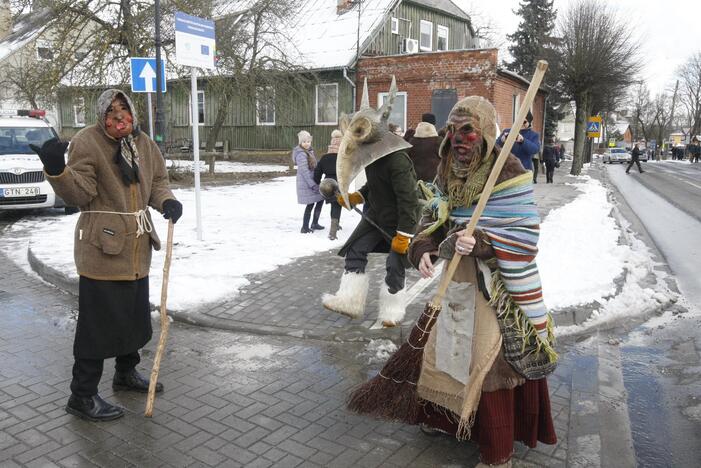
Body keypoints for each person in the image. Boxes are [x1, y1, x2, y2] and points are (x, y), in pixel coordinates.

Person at [408, 96, 557, 467]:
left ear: (487, 133)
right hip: (454, 279)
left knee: (488, 360)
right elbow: (434, 214)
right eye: (453, 131)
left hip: (494, 287)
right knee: (445, 352)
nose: (458, 139)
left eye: (468, 131)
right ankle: (446, 420)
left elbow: (524, 234)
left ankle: (497, 450)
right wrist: (423, 246)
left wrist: (485, 244)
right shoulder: (446, 169)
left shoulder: (508, 172)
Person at [29, 89, 182, 422]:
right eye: (111, 110)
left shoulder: (144, 144)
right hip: (102, 250)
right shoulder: (89, 141)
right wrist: (58, 170)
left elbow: (157, 180)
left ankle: (125, 374)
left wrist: (166, 200)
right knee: (96, 328)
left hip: (137, 250)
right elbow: (80, 193)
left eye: (123, 108)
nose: (118, 116)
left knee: (133, 317)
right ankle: (81, 396)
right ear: (101, 115)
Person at [322, 77, 419, 327]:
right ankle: (350, 301)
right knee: (355, 249)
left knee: (395, 264)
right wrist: (357, 196)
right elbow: (373, 186)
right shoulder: (374, 155)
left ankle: (392, 311)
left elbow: (409, 199)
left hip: (398, 221)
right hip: (376, 215)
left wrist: (405, 234)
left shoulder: (397, 159)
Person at [314, 129, 344, 240]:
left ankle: (335, 225)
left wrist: (318, 183)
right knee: (338, 205)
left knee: (334, 204)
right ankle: (333, 229)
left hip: (327, 185)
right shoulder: (343, 158)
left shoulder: (324, 158)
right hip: (339, 183)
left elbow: (317, 173)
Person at [293, 130, 325, 233]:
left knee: (320, 199)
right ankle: (305, 227)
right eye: (304, 142)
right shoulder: (301, 154)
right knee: (310, 204)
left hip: (311, 182)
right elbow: (305, 172)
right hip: (307, 183)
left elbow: (314, 165)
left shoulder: (309, 152)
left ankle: (314, 223)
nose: (307, 143)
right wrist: (312, 185)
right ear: (300, 143)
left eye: (308, 141)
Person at [498, 111, 541, 175]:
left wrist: (523, 141)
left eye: (524, 122)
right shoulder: (507, 131)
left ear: (529, 122)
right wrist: (502, 141)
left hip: (524, 170)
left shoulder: (533, 135)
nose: (521, 123)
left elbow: (535, 149)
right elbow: (495, 146)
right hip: (507, 169)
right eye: (519, 120)